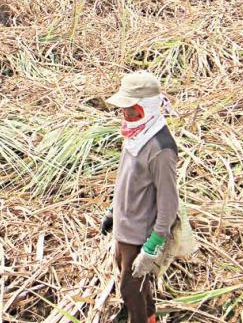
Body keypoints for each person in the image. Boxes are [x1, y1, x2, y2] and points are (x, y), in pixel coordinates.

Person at [99, 71, 180, 323]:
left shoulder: (161, 148)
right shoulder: (135, 134)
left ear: (149, 108)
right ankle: (151, 317)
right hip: (125, 227)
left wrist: (153, 245)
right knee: (136, 284)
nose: (127, 116)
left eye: (133, 111)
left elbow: (169, 203)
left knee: (129, 290)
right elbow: (125, 180)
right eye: (124, 110)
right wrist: (113, 211)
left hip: (139, 235)